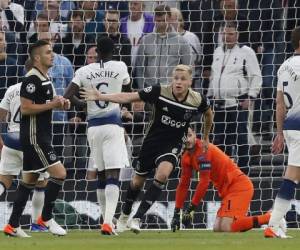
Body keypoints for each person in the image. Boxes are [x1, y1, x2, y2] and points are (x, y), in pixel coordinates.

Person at [80, 64, 213, 234]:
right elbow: (129, 96)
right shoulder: (159, 91)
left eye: (183, 79)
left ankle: (138, 218)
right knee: (137, 182)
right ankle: (125, 214)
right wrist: (102, 96)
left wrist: (206, 135)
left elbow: (209, 113)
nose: (178, 82)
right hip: (152, 142)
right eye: (176, 78)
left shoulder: (197, 99)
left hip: (172, 144)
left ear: (190, 82)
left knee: (163, 174)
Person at [64, 36, 131, 235]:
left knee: (101, 174)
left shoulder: (84, 70)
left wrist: (84, 104)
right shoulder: (120, 66)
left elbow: (68, 95)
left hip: (92, 127)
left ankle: (105, 220)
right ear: (114, 50)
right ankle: (109, 222)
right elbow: (127, 90)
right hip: (112, 126)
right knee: (113, 174)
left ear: (97, 52)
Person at [3, 40, 70, 237]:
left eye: (53, 51)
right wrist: (52, 105)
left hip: (41, 135)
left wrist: (60, 103)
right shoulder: (31, 80)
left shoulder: (45, 77)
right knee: (60, 174)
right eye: (49, 52)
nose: (53, 55)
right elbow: (26, 108)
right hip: (34, 138)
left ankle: (12, 225)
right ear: (37, 58)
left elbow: (46, 103)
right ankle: (45, 218)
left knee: (28, 182)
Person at [171, 127, 282, 233]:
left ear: (195, 134)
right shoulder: (186, 157)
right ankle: (256, 220)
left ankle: (270, 217)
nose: (188, 139)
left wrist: (191, 207)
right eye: (185, 137)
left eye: (190, 135)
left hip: (239, 186)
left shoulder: (203, 150)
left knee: (226, 227)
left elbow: (204, 181)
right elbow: (183, 184)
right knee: (217, 228)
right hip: (227, 191)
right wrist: (177, 211)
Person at [0, 59, 48, 232]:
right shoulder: (41, 88)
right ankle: (36, 223)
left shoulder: (12, 89)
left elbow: (1, 115)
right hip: (31, 141)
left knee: (4, 180)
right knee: (40, 183)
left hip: (11, 142)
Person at [208, 21, 262, 174]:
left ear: (237, 35)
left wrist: (251, 97)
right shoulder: (217, 51)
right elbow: (213, 77)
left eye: (231, 34)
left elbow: (256, 76)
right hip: (219, 104)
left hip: (238, 102)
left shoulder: (247, 52)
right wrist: (209, 96)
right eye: (225, 33)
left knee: (240, 139)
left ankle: (244, 171)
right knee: (220, 140)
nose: (228, 37)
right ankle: (222, 172)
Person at [264, 26, 300, 239]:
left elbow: (279, 103)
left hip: (289, 127)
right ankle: (273, 223)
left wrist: (279, 133)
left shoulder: (284, 66)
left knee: (295, 176)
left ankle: (277, 219)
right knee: (291, 176)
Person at [134, 4, 192, 89]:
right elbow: (139, 68)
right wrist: (142, 89)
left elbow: (188, 68)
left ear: (170, 19)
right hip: (149, 88)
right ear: (154, 19)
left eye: (164, 20)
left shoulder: (182, 42)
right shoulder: (146, 40)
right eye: (158, 21)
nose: (161, 24)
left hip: (171, 89)